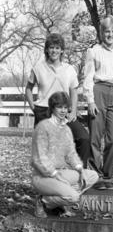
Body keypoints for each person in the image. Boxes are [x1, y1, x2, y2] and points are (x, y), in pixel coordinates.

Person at [25, 33, 90, 168]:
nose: (54, 51)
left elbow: (74, 91)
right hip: (43, 111)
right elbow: (28, 89)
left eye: (57, 48)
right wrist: (34, 108)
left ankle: (80, 175)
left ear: (61, 50)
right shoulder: (38, 68)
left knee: (83, 138)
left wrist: (73, 111)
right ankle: (46, 182)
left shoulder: (69, 69)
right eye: (51, 47)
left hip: (63, 111)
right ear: (47, 50)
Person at [31, 91, 99, 218]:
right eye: (59, 107)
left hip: (62, 172)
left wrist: (80, 170)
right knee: (74, 197)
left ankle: (57, 199)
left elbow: (71, 154)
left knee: (92, 176)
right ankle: (43, 201)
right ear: (52, 108)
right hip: (44, 176)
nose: (63, 111)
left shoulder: (67, 128)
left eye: (65, 107)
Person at [83, 16, 113, 188]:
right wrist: (90, 100)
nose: (110, 34)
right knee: (94, 138)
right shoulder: (94, 51)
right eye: (106, 31)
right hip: (98, 91)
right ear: (101, 33)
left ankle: (107, 175)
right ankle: (96, 176)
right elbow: (88, 76)